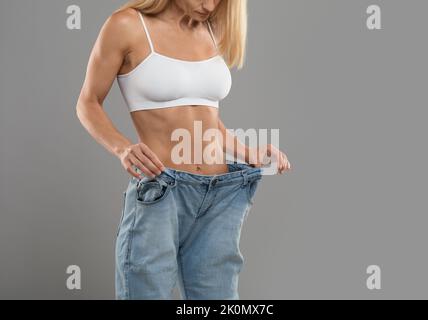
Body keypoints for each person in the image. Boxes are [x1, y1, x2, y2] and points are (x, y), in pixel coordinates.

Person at [76, 0, 291, 299]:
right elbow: (87, 102)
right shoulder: (126, 25)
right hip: (163, 193)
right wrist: (122, 148)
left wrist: (248, 153)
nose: (209, 5)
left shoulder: (210, 28)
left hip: (221, 195)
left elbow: (205, 120)